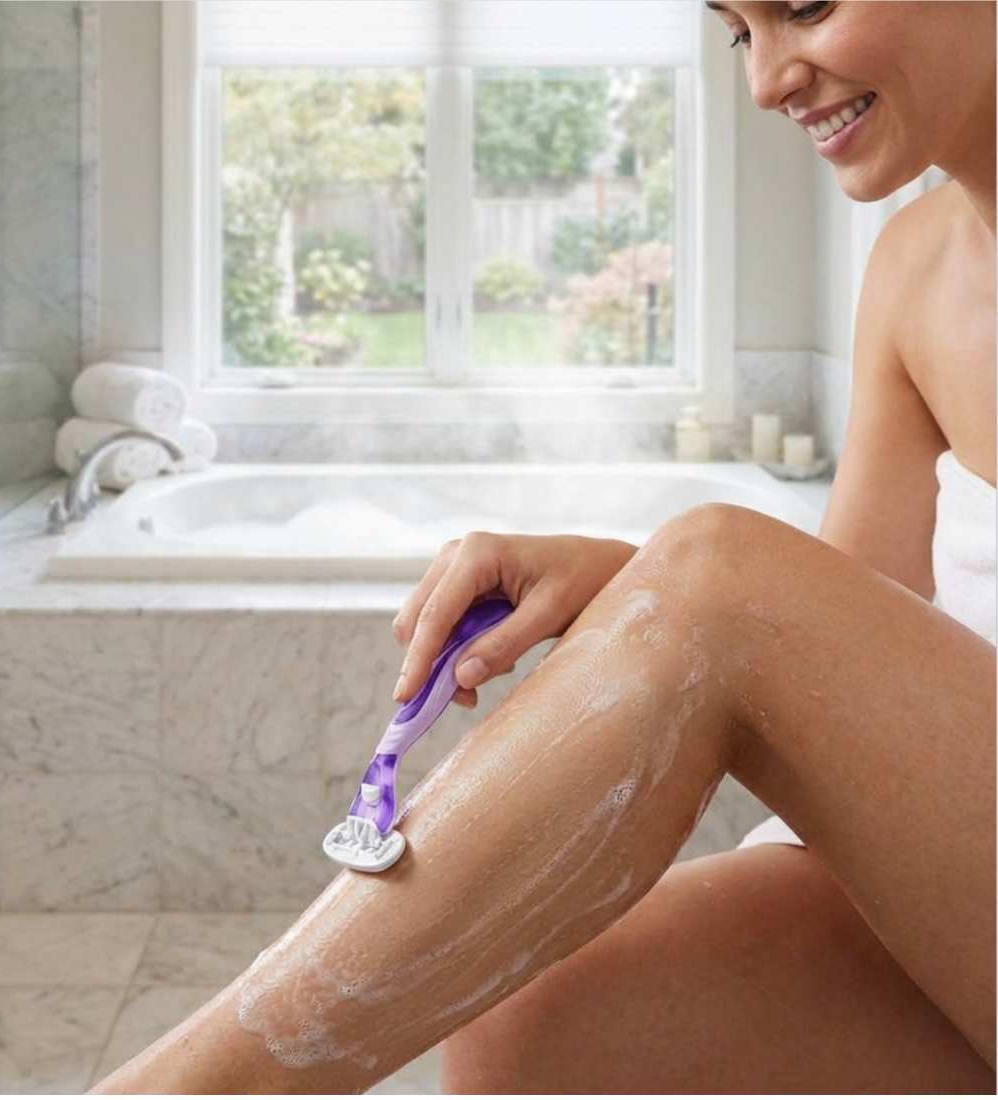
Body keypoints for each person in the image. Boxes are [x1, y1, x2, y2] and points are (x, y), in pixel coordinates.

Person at [92, 1, 996, 1092]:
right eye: (737, 32)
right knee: (525, 1019)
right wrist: (639, 594)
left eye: (805, 5)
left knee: (711, 567)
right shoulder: (912, 268)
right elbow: (850, 644)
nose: (766, 82)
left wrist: (697, 590)